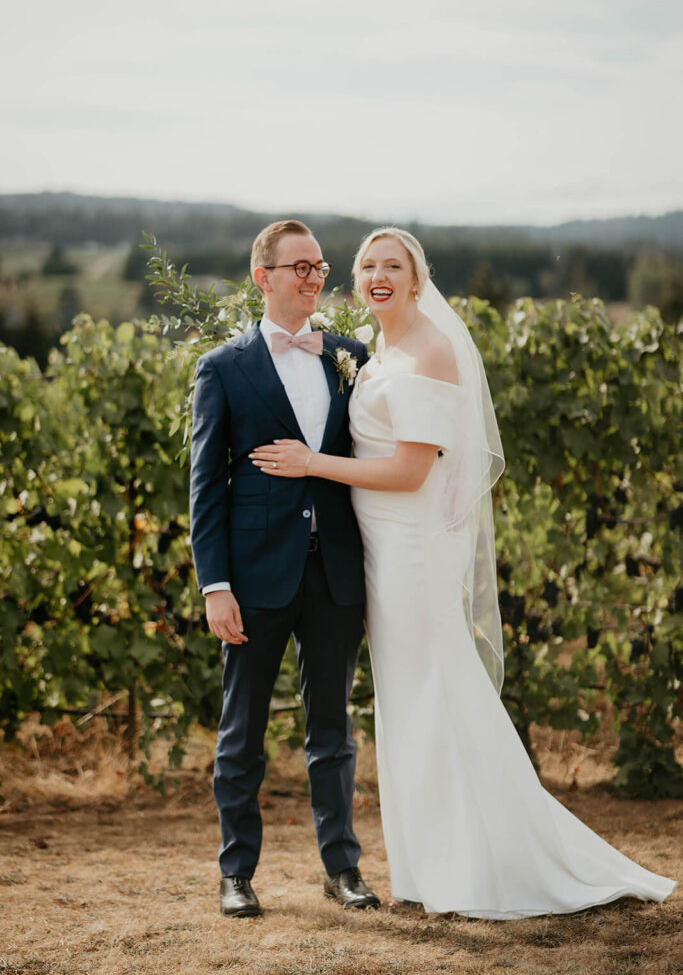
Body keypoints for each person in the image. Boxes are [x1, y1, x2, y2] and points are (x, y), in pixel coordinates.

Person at [250, 226, 677, 918]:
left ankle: (478, 867)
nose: (378, 273)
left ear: (418, 280)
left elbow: (412, 468)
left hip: (412, 554)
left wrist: (311, 463)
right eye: (366, 264)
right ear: (354, 280)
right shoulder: (374, 348)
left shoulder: (431, 349)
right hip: (378, 552)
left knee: (434, 700)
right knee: (409, 706)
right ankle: (428, 868)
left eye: (394, 264)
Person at [190, 219, 379, 917]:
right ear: (262, 277)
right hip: (253, 580)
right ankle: (235, 875)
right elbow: (206, 487)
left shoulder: (351, 355)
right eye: (298, 266)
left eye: (319, 265)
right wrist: (216, 585)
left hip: (334, 575)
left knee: (332, 731)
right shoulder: (223, 367)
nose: (314, 276)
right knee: (240, 735)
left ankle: (343, 869)